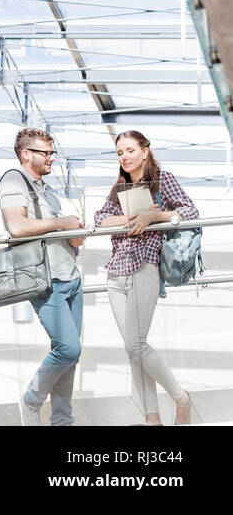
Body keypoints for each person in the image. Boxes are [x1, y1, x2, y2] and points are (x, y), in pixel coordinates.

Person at [93, 131, 197, 425]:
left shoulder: (163, 179)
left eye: (129, 150)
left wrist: (154, 216)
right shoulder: (119, 187)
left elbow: (190, 211)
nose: (124, 157)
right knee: (132, 349)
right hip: (116, 271)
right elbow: (100, 219)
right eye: (119, 153)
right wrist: (134, 216)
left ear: (145, 151)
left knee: (135, 344)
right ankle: (152, 418)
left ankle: (181, 399)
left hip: (145, 266)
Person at [1, 128, 86, 426]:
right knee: (68, 347)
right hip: (46, 281)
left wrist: (71, 235)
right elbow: (17, 227)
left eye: (52, 152)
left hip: (70, 277)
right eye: (45, 152)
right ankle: (31, 400)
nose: (52, 158)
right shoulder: (14, 179)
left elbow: (48, 229)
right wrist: (61, 222)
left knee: (70, 356)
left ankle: (62, 421)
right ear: (27, 154)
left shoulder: (46, 188)